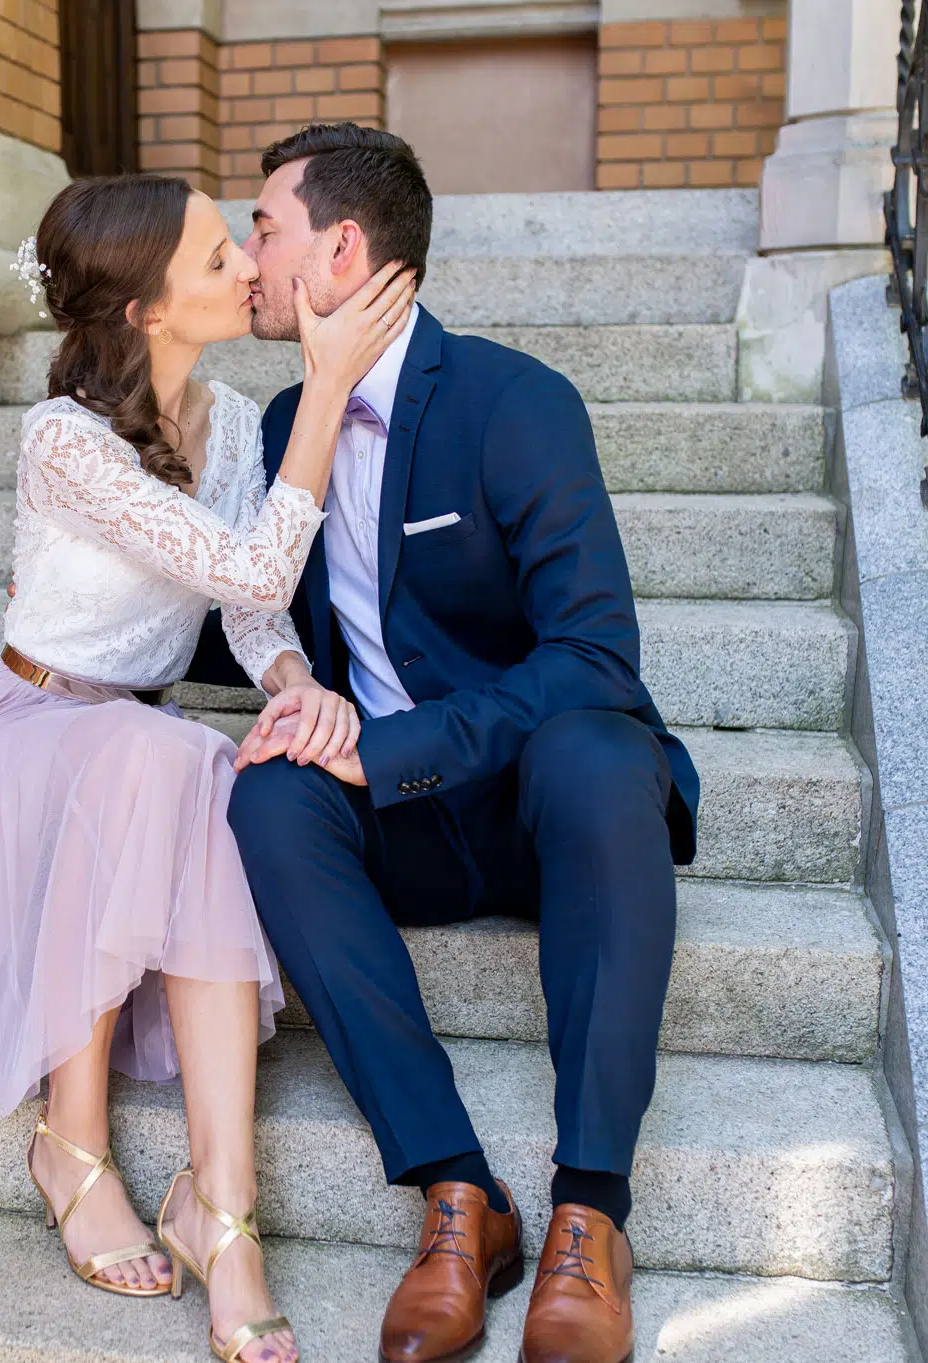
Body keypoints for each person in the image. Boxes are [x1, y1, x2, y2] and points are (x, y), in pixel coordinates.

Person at [0, 171, 415, 1363]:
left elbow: (250, 612)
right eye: (216, 260)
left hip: (118, 748)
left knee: (179, 760)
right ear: (146, 310)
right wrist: (328, 392)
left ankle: (224, 1208)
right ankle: (71, 1139)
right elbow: (253, 568)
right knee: (160, 758)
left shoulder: (234, 422)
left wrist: (294, 685)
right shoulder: (63, 441)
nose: (249, 270)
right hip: (15, 738)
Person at [191, 123, 701, 1363]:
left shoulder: (511, 402)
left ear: (341, 247)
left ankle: (591, 1210)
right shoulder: (275, 431)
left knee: (596, 747)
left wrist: (396, 743)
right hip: (394, 831)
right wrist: (300, 689)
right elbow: (243, 617)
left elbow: (593, 651)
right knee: (264, 794)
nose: (248, 254)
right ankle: (457, 1195)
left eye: (264, 228)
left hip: (529, 804)